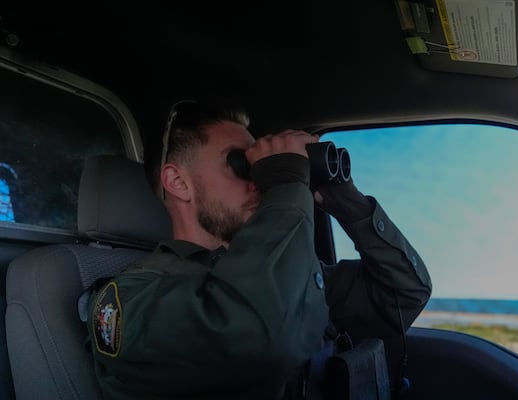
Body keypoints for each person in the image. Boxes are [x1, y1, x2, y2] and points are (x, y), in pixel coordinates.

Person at [86, 101, 432, 400]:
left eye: (261, 168)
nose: (258, 181)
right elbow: (258, 340)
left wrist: (343, 198)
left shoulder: (286, 276)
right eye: (239, 164)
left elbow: (403, 293)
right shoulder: (130, 300)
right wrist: (284, 181)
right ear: (179, 182)